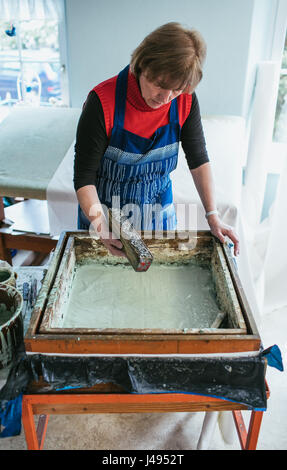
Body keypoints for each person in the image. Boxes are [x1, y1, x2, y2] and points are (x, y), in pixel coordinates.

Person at [74, 22, 239, 257]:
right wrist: (101, 227)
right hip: (105, 219)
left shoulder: (185, 101)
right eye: (159, 85)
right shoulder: (102, 103)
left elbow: (198, 158)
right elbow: (83, 178)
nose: (166, 97)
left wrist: (213, 215)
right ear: (142, 65)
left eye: (177, 90)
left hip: (159, 215)